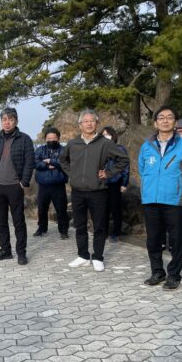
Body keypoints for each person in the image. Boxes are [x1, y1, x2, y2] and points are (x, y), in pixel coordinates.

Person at [139, 105, 182, 290]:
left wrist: (180, 189)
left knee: (176, 239)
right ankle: (157, 272)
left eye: (169, 117)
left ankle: (174, 275)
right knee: (153, 239)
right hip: (151, 199)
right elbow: (142, 169)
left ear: (175, 122)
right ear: (155, 123)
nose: (165, 120)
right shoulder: (146, 146)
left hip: (174, 200)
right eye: (161, 117)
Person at [59, 110, 130, 272]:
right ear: (80, 125)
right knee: (80, 225)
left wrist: (109, 173)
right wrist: (72, 173)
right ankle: (83, 256)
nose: (89, 123)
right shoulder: (73, 143)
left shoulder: (105, 143)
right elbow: (62, 159)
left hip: (98, 191)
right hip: (77, 191)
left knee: (99, 226)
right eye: (85, 121)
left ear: (97, 124)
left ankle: (98, 257)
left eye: (92, 121)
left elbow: (123, 159)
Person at [0, 107, 35, 265]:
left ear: (16, 121)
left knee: (18, 221)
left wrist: (23, 182)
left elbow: (29, 162)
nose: (7, 123)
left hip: (14, 186)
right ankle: (5, 250)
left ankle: (21, 252)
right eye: (4, 120)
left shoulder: (25, 139)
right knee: (0, 221)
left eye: (10, 119)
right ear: (1, 122)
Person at [33, 127, 69, 239]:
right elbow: (35, 163)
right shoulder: (40, 150)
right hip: (43, 185)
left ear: (58, 138)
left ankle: (63, 231)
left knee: (61, 209)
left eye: (54, 138)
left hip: (58, 184)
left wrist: (51, 161)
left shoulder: (63, 150)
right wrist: (47, 165)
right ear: (45, 139)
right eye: (49, 138)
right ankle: (41, 228)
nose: (51, 140)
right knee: (42, 208)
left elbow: (65, 163)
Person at [101, 126, 130, 242]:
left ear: (113, 136)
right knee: (103, 209)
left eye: (107, 135)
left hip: (115, 182)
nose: (105, 137)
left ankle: (116, 232)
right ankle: (103, 232)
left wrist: (124, 183)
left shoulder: (119, 148)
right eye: (103, 135)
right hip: (102, 183)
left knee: (115, 209)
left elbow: (125, 167)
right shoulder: (100, 149)